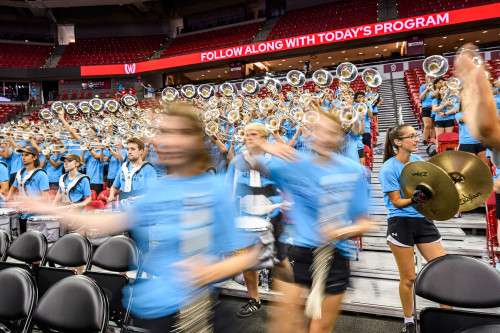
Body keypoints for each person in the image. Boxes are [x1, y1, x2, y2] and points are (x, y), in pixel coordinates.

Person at [20, 104, 259, 333]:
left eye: (181, 133)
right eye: (166, 132)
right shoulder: (162, 188)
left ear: (196, 142)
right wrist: (55, 209)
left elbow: (244, 256)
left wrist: (206, 272)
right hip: (152, 307)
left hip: (193, 313)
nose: (170, 140)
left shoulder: (213, 189)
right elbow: (112, 221)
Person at [254, 112, 372, 333]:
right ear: (312, 134)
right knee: (284, 327)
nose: (326, 137)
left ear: (340, 137)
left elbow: (365, 222)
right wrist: (264, 146)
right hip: (297, 254)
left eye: (332, 132)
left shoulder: (353, 170)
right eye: (321, 131)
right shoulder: (293, 163)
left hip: (334, 258)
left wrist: (343, 230)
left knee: (319, 330)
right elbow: (248, 163)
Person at [378, 125, 451, 333]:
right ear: (398, 142)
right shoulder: (388, 168)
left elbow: (434, 190)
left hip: (423, 221)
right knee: (409, 278)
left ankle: (449, 318)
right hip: (400, 222)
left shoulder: (420, 163)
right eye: (411, 137)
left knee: (442, 271)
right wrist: (414, 199)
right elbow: (397, 202)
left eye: (416, 135)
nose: (417, 139)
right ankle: (409, 320)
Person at [225, 123, 293, 318]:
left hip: (273, 212)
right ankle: (254, 300)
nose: (249, 137)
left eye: (254, 134)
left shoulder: (276, 160)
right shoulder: (237, 160)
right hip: (246, 213)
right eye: (246, 134)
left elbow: (288, 182)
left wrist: (285, 203)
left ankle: (290, 301)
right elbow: (228, 187)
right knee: (248, 260)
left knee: (281, 259)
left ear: (264, 137)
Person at [5, 146, 49, 233]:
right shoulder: (20, 172)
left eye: (26, 155)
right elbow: (14, 187)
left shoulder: (41, 174)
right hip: (21, 215)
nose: (23, 157)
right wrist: (9, 196)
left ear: (35, 157)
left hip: (35, 217)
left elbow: (45, 197)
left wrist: (32, 202)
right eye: (22, 155)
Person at [107, 137, 157, 203]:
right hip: (123, 208)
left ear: (141, 151)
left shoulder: (148, 169)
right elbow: (114, 187)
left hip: (140, 209)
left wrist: (139, 199)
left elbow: (153, 193)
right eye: (127, 149)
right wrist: (111, 196)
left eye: (133, 149)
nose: (129, 152)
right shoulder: (123, 167)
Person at [419, 75, 435, 145]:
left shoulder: (436, 87)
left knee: (434, 126)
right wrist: (426, 90)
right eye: (428, 77)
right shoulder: (422, 86)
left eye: (431, 77)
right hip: (426, 107)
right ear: (425, 78)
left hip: (434, 106)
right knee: (427, 125)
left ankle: (432, 141)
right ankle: (425, 140)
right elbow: (421, 98)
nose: (430, 78)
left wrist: (433, 89)